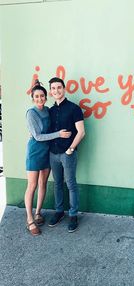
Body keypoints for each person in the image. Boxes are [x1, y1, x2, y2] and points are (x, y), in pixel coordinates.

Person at [25, 80, 71, 236]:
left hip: (48, 151)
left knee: (43, 183)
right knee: (32, 186)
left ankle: (38, 212)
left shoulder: (48, 110)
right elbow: (37, 136)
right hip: (35, 151)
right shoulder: (31, 113)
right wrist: (58, 134)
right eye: (36, 96)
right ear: (33, 98)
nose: (39, 98)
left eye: (42, 96)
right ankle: (30, 219)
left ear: (46, 97)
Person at [48, 77, 85, 233]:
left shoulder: (74, 108)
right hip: (53, 153)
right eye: (53, 88)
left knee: (70, 184)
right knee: (57, 184)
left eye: (59, 87)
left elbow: (81, 132)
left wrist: (71, 148)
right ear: (50, 92)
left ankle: (73, 214)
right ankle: (59, 212)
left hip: (67, 153)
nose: (56, 90)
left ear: (64, 89)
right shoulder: (49, 110)